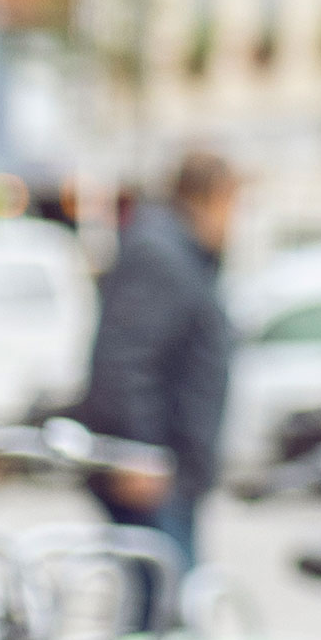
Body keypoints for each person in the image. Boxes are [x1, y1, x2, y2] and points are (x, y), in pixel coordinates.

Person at [77, 151, 238, 572]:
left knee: (164, 603)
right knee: (164, 606)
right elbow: (125, 363)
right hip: (155, 472)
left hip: (171, 468)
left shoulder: (178, 252)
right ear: (213, 197)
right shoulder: (161, 254)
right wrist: (139, 453)